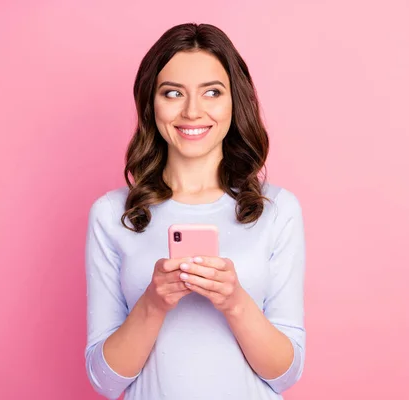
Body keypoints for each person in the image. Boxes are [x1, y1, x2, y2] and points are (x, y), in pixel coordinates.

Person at [84, 22, 306, 400]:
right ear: (150, 103)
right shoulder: (112, 214)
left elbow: (286, 374)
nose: (192, 111)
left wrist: (234, 301)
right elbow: (106, 381)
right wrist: (154, 302)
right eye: (172, 93)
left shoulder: (277, 210)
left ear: (234, 102)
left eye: (212, 93)